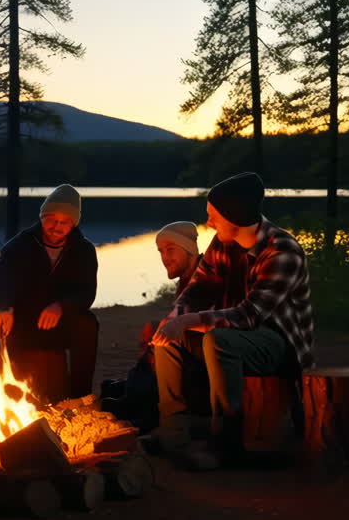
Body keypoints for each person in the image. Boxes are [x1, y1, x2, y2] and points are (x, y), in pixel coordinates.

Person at [150, 173, 315, 469]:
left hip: (278, 344)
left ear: (235, 216)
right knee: (168, 337)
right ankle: (173, 433)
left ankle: (226, 444)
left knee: (219, 340)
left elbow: (249, 316)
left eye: (214, 216)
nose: (209, 223)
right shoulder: (223, 243)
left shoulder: (282, 250)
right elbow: (198, 288)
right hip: (236, 336)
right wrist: (176, 318)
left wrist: (190, 321)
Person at [0, 184, 99, 403]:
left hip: (61, 321)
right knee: (43, 391)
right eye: (51, 219)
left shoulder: (83, 250)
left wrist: (61, 306)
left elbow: (87, 293)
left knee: (87, 323)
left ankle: (80, 397)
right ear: (41, 217)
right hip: (24, 319)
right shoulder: (20, 245)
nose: (56, 226)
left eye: (64, 221)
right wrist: (2, 306)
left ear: (73, 223)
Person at [108, 221, 203, 430]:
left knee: (159, 342)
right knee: (152, 336)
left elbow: (193, 317)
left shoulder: (203, 277)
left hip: (204, 357)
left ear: (190, 250)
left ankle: (146, 411)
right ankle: (133, 399)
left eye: (171, 250)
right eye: (161, 251)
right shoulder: (187, 277)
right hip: (190, 347)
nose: (165, 258)